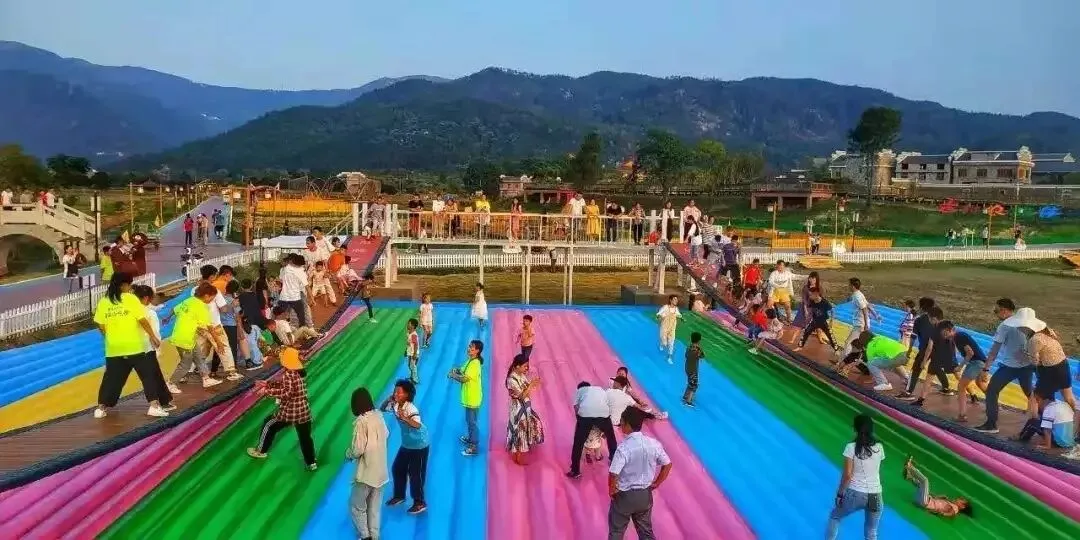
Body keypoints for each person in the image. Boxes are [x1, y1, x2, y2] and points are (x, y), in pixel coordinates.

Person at [92, 273, 167, 419]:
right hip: (134, 346)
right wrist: (153, 336)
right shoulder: (131, 299)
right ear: (124, 285)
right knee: (148, 375)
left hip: (114, 348)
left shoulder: (104, 301)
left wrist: (109, 337)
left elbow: (100, 324)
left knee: (111, 378)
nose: (130, 287)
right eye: (129, 284)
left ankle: (101, 408)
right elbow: (142, 320)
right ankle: (154, 406)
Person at [247, 347, 318, 471]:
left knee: (269, 424)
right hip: (303, 412)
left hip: (290, 412)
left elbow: (287, 392)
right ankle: (311, 462)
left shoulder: (289, 373)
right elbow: (286, 385)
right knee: (305, 438)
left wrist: (267, 391)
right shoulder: (298, 372)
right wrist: (268, 384)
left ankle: (261, 451)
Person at [607, 406, 671, 540]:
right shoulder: (653, 444)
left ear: (627, 423)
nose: (620, 424)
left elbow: (613, 473)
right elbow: (667, 464)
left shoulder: (624, 448)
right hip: (645, 495)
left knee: (617, 531)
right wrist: (657, 483)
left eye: (621, 421)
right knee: (645, 531)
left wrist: (612, 490)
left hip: (624, 495)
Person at [974, 299, 1035, 434]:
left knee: (992, 391)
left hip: (1010, 367)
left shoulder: (1005, 326)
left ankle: (991, 424)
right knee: (1031, 395)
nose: (995, 314)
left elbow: (994, 350)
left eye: (996, 311)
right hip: (1027, 366)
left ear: (1004, 310)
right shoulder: (1029, 324)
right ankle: (1046, 425)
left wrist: (985, 369)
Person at [826, 414, 884, 540]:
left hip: (855, 493)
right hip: (875, 495)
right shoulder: (879, 448)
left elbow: (847, 476)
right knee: (871, 531)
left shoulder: (851, 448)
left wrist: (840, 494)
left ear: (855, 428)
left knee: (835, 517)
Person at [1013, 309, 1077, 414]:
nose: (1018, 329)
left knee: (1035, 398)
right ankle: (1076, 416)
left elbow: (1035, 361)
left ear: (1026, 327)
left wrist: (1025, 354)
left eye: (1020, 327)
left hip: (1051, 370)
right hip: (1063, 364)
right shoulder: (1048, 331)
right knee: (1068, 397)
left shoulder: (1034, 339)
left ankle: (1033, 421)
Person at [381, 379, 429, 515]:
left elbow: (417, 425)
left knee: (416, 474)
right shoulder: (395, 404)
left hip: (419, 445)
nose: (395, 394)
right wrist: (388, 399)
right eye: (395, 391)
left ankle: (419, 502)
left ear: (407, 395)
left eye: (399, 392)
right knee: (397, 468)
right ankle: (399, 496)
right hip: (407, 443)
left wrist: (405, 418)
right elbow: (382, 408)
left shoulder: (411, 408)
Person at [347, 387, 389, 540]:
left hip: (366, 473)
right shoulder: (378, 416)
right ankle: (374, 535)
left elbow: (358, 449)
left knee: (356, 506)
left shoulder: (361, 422)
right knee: (374, 508)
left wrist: (348, 454)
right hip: (381, 471)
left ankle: (365, 536)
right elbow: (386, 434)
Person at [166, 283, 222, 392]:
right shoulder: (201, 307)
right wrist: (218, 342)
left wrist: (167, 318)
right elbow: (210, 328)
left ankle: (206, 378)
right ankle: (170, 383)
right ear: (206, 296)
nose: (212, 300)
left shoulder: (188, 301)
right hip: (185, 340)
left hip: (182, 336)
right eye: (212, 298)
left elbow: (174, 310)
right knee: (185, 364)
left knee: (198, 356)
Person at [134, 285, 175, 412]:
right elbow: (155, 333)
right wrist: (157, 344)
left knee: (116, 377)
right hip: (147, 349)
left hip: (129, 349)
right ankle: (158, 404)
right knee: (152, 376)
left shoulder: (130, 311)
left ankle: (102, 406)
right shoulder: (149, 313)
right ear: (147, 298)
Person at [567, 381, 617, 479]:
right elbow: (607, 404)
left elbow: (575, 407)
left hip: (586, 414)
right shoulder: (600, 389)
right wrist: (606, 427)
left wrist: (580, 422)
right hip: (603, 414)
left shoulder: (579, 391)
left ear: (579, 388)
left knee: (578, 443)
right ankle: (614, 461)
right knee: (611, 438)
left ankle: (575, 471)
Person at [505, 353, 545, 466]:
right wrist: (531, 385)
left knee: (528, 425)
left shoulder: (521, 375)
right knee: (519, 430)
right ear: (517, 366)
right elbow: (522, 395)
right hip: (517, 408)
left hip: (525, 406)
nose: (526, 368)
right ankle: (517, 456)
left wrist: (533, 384)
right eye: (524, 366)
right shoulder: (511, 379)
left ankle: (522, 449)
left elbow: (527, 388)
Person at [910, 319, 958, 408]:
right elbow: (954, 348)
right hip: (948, 358)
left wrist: (924, 361)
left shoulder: (934, 333)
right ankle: (972, 394)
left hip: (936, 360)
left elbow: (929, 348)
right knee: (959, 377)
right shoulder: (952, 335)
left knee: (928, 380)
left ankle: (921, 400)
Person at [903, 457, 973, 518]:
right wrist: (941, 498)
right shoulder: (950, 503)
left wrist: (937, 512)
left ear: (962, 506)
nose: (959, 498)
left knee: (925, 481)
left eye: (961, 500)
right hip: (922, 501)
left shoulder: (955, 508)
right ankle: (909, 477)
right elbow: (936, 501)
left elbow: (948, 514)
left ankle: (910, 466)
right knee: (921, 484)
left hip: (925, 502)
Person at [897, 298, 939, 400]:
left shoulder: (919, 320)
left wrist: (909, 351)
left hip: (925, 349)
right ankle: (946, 388)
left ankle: (908, 392)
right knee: (936, 370)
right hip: (938, 349)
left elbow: (913, 337)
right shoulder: (937, 319)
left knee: (916, 370)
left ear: (922, 307)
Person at [449, 340, 484, 456]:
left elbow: (464, 379)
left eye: (472, 347)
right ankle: (471, 438)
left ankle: (474, 446)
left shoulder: (475, 364)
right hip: (470, 398)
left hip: (473, 398)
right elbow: (462, 370)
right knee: (469, 421)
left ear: (477, 351)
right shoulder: (470, 360)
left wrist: (453, 375)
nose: (469, 348)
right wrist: (456, 370)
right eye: (469, 346)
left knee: (472, 423)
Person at [952, 327, 990, 423]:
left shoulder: (958, 336)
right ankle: (993, 405)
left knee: (961, 386)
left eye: (945, 333)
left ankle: (962, 415)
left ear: (951, 330)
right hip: (981, 361)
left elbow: (970, 353)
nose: (944, 336)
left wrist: (960, 367)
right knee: (980, 383)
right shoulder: (958, 337)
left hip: (976, 363)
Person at [840, 278, 881, 360]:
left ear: (853, 286)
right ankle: (856, 361)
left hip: (860, 324)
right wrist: (876, 315)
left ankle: (842, 360)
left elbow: (864, 309)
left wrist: (865, 325)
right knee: (857, 345)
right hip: (861, 324)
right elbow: (868, 305)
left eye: (849, 285)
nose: (848, 286)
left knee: (848, 342)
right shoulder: (859, 294)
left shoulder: (857, 296)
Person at [796, 287, 838, 351]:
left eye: (810, 295)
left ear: (816, 294)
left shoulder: (825, 302)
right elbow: (808, 306)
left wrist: (831, 321)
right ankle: (800, 346)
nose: (809, 296)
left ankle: (836, 350)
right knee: (806, 332)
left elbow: (832, 310)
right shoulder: (811, 301)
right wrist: (807, 314)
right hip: (814, 321)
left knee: (830, 335)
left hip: (823, 322)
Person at [277, 254, 311, 327]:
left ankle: (308, 325)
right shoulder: (283, 270)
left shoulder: (299, 270)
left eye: (283, 261)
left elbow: (306, 284)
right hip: (287, 294)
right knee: (289, 311)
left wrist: (311, 297)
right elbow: (282, 281)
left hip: (299, 292)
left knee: (303, 310)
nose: (281, 263)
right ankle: (292, 325)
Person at [656, 295, 682, 364]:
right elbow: (659, 313)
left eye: (676, 300)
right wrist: (658, 316)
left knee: (671, 343)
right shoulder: (665, 307)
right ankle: (662, 344)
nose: (676, 301)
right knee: (664, 342)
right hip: (664, 327)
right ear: (670, 300)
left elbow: (679, 315)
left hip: (672, 329)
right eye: (674, 299)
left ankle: (669, 357)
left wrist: (681, 318)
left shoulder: (676, 309)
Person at [682, 331, 704, 407]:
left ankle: (685, 396)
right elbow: (702, 356)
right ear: (699, 340)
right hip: (693, 369)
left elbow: (686, 355)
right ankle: (688, 401)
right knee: (694, 385)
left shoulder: (689, 347)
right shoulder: (698, 349)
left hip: (687, 367)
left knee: (690, 382)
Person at [404, 318, 421, 385]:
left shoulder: (413, 335)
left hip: (413, 353)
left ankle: (415, 380)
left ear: (413, 326)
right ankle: (412, 377)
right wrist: (406, 350)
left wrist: (414, 354)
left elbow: (416, 344)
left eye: (409, 324)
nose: (407, 325)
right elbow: (409, 344)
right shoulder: (409, 333)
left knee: (413, 367)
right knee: (410, 365)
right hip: (410, 353)